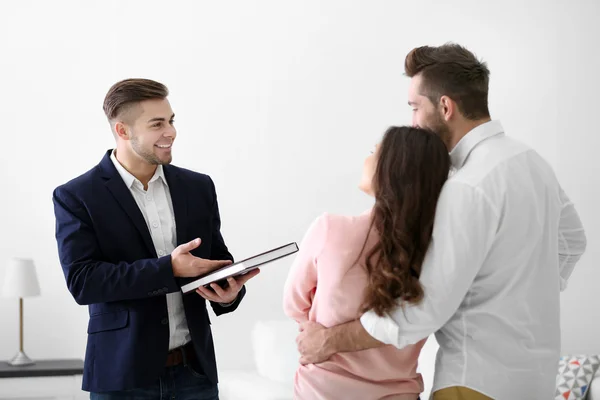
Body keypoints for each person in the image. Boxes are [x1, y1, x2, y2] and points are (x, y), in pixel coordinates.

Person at [294, 44, 587, 400]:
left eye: (415, 108)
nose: (413, 122)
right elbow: (573, 241)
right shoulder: (532, 162)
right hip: (536, 381)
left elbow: (423, 311)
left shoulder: (466, 186)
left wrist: (330, 340)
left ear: (445, 107)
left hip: (475, 382)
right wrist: (520, 294)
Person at [52, 78, 259, 399]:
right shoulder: (78, 196)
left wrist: (227, 293)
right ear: (123, 131)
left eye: (172, 120)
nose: (171, 131)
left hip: (195, 373)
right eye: (157, 124)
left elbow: (214, 260)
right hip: (122, 377)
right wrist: (169, 269)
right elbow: (83, 282)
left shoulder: (197, 187)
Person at [283, 126, 451, 400]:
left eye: (374, 152)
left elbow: (294, 304)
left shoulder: (329, 229)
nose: (366, 159)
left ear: (390, 169)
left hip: (324, 392)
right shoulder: (435, 252)